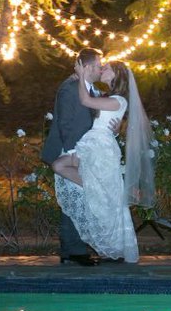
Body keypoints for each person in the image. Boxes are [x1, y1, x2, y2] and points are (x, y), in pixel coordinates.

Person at [51, 59, 154, 264]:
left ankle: (114, 246)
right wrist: (115, 130)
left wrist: (81, 74)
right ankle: (94, 190)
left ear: (116, 75)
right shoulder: (106, 96)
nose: (102, 70)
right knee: (59, 165)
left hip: (101, 149)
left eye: (106, 68)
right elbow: (102, 119)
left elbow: (86, 101)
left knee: (63, 167)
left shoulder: (119, 100)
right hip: (92, 145)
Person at [41, 48, 105, 265]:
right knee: (74, 201)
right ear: (87, 67)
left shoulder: (91, 90)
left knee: (78, 200)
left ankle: (72, 250)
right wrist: (73, 154)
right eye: (98, 66)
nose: (100, 70)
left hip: (84, 152)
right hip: (69, 153)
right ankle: (74, 250)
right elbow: (66, 124)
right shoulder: (69, 88)